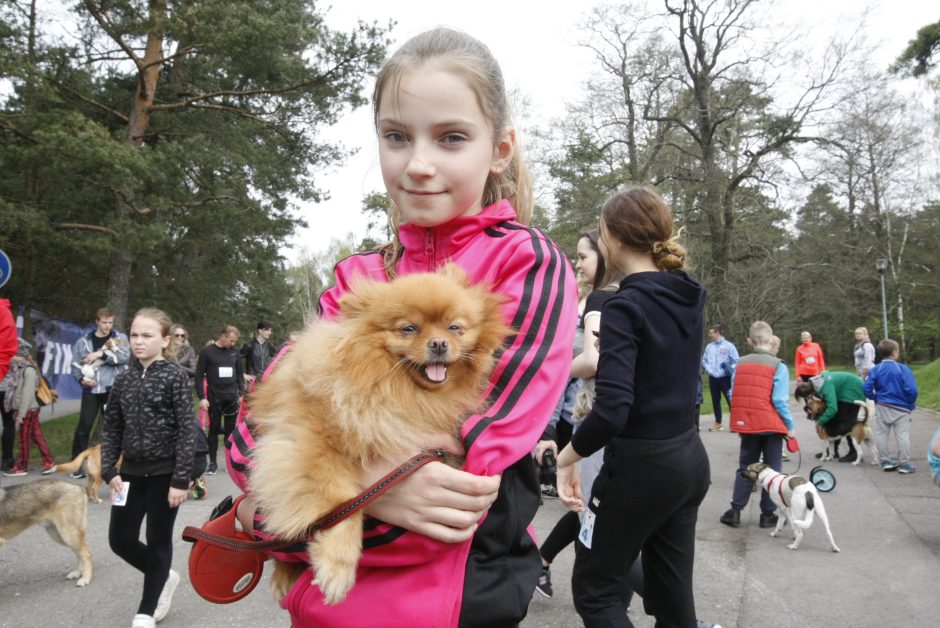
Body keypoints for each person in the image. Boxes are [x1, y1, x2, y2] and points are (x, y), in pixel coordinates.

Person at [226, 27, 577, 628]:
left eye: (451, 138)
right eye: (396, 137)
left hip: (443, 607)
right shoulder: (357, 279)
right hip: (321, 608)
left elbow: (466, 485)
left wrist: (298, 508)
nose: (418, 164)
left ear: (500, 148)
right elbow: (256, 427)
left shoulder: (525, 264)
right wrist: (352, 494)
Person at [555, 186, 709, 628]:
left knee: (596, 591)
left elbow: (613, 408)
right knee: (672, 598)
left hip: (642, 467)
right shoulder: (689, 293)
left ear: (615, 238)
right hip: (689, 461)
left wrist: (566, 459)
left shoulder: (626, 306)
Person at [535, 227, 624, 596]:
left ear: (604, 256)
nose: (578, 264)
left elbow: (589, 361)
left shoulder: (613, 299)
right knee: (589, 508)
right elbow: (579, 365)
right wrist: (549, 428)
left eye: (584, 256)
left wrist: (556, 370)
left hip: (608, 420)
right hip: (584, 419)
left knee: (594, 509)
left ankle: (543, 562)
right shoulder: (583, 305)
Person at [101, 308, 197, 628]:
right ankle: (163, 576)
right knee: (120, 539)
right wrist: (109, 470)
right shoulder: (124, 379)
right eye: (134, 335)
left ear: (165, 340)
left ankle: (146, 609)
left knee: (158, 540)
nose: (138, 342)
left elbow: (187, 429)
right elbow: (112, 427)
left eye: (147, 335)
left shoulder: (175, 377)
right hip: (127, 475)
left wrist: (181, 479)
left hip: (164, 475)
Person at [719, 322, 795, 528]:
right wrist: (790, 425)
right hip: (772, 425)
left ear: (750, 341)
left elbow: (733, 394)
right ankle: (767, 514)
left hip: (748, 424)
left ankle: (735, 510)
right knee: (772, 470)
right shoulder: (778, 365)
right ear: (771, 340)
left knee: (746, 466)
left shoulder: (739, 364)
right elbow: (779, 400)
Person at [69, 307, 130, 478]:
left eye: (110, 322)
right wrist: (82, 379)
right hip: (91, 390)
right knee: (84, 426)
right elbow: (75, 365)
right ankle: (77, 464)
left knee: (113, 427)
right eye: (104, 322)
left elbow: (125, 357)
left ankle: (115, 464)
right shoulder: (83, 342)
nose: (107, 326)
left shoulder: (120, 338)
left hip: (112, 389)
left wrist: (100, 355)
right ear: (97, 321)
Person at [1, 340, 56, 477]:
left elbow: (27, 393)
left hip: (28, 409)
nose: (10, 358)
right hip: (28, 408)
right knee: (36, 436)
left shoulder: (28, 370)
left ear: (19, 356)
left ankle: (22, 466)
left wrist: (21, 413)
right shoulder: (20, 369)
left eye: (12, 355)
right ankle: (50, 462)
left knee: (23, 438)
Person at [194, 325, 244, 475]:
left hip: (231, 396)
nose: (232, 344)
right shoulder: (208, 352)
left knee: (230, 431)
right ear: (222, 336)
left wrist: (241, 394)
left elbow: (240, 375)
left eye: (234, 341)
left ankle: (229, 463)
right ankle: (213, 463)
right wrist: (202, 397)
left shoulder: (234, 353)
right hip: (214, 396)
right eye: (231, 340)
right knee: (214, 429)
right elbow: (198, 375)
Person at [863, 339, 918, 473]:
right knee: (902, 435)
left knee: (882, 434)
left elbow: (866, 387)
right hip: (901, 407)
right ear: (895, 352)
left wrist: (874, 398)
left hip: (882, 405)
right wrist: (910, 403)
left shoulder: (876, 369)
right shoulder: (902, 369)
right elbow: (912, 390)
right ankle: (904, 463)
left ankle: (886, 460)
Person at [794, 370, 866, 462]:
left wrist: (820, 422)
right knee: (835, 419)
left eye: (807, 396)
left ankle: (854, 453)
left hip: (854, 391)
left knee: (847, 421)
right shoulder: (816, 382)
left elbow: (832, 408)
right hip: (845, 391)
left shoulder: (825, 386)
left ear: (810, 392)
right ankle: (833, 451)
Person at [701, 324, 739, 431]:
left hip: (725, 377)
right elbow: (704, 360)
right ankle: (718, 422)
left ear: (718, 333)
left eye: (711, 332)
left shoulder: (729, 346)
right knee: (715, 400)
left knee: (730, 399)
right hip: (713, 378)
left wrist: (727, 369)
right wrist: (709, 370)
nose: (709, 335)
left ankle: (734, 423)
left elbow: (736, 360)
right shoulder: (709, 347)